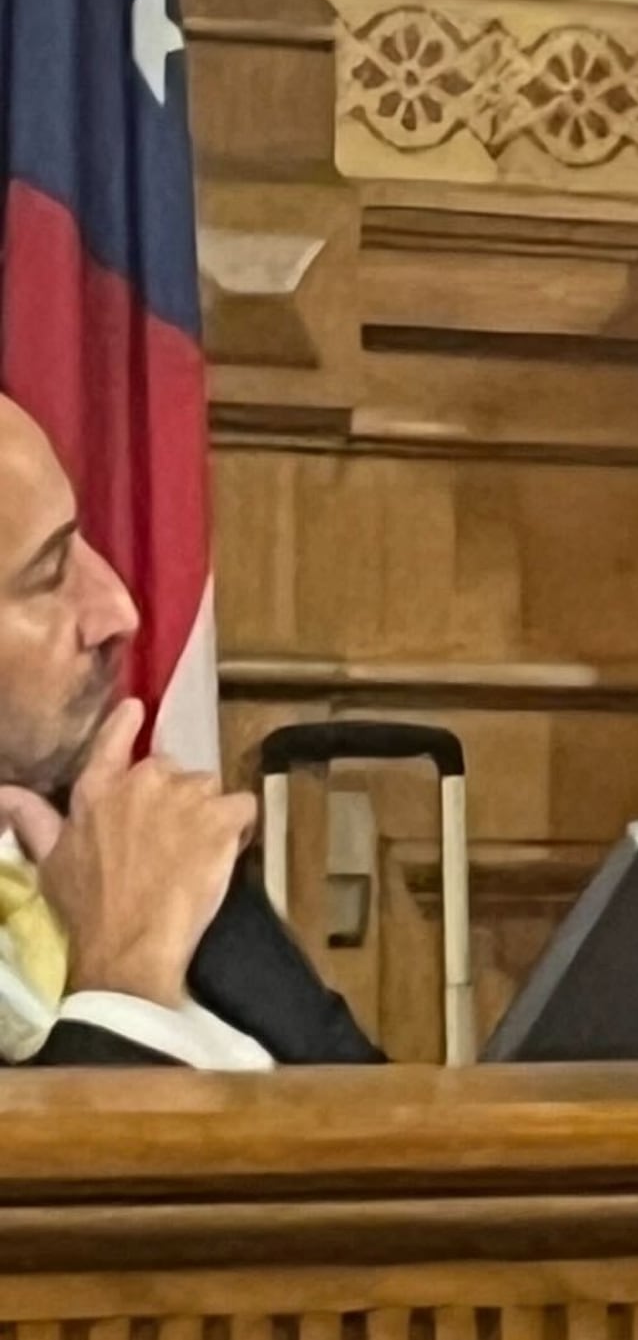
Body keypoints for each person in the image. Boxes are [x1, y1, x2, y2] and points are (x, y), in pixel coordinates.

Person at [0, 395, 378, 1068]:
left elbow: (389, 1128)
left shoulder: (131, 839)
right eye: (50, 571)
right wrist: (122, 985)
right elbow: (73, 1174)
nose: (118, 607)